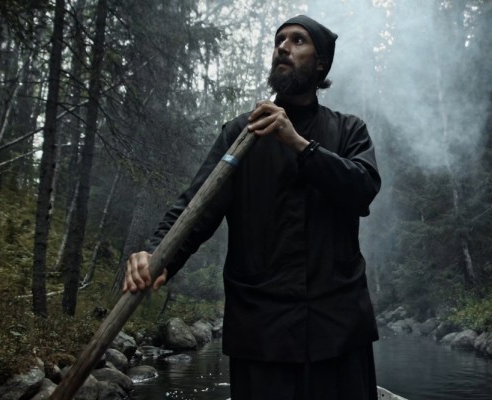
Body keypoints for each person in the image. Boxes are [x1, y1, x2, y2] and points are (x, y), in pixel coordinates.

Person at [123, 15, 381, 400]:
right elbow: (196, 208)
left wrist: (298, 144)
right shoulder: (241, 133)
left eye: (298, 40)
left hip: (338, 328)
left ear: (321, 63)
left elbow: (362, 189)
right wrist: (157, 255)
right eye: (280, 40)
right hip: (262, 332)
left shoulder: (348, 130)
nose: (283, 47)